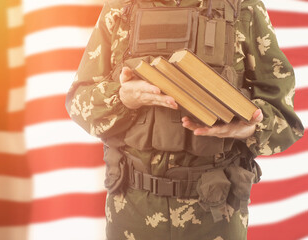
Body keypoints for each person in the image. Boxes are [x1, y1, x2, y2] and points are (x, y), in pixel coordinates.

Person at [65, 0, 305, 239]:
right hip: (132, 209)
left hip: (216, 213)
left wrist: (248, 128)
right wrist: (120, 97)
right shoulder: (121, 8)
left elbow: (285, 120)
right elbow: (78, 102)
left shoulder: (244, 7)